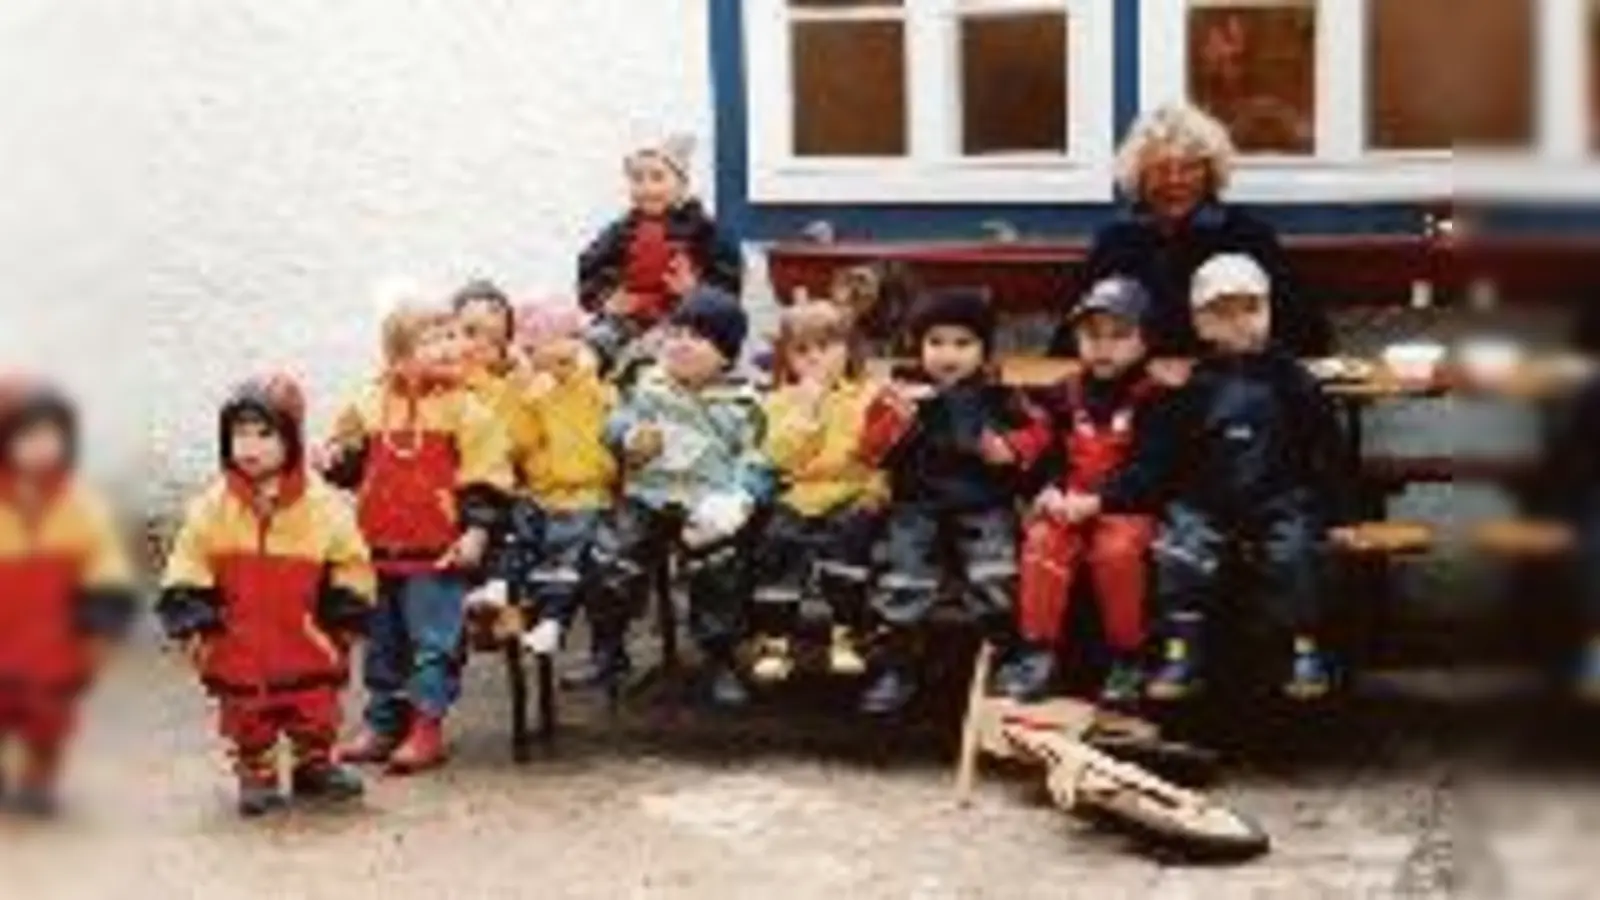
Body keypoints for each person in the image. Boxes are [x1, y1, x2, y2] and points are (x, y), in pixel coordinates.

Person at [158, 375, 372, 817]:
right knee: (246, 716)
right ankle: (255, 772)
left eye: (264, 433)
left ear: (292, 438)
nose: (249, 446)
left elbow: (352, 560)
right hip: (239, 643)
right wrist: (193, 613)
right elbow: (188, 560)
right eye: (239, 434)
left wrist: (344, 611)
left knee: (316, 709)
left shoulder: (323, 506)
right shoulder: (212, 507)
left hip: (306, 639)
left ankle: (315, 763)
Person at [1144, 254, 1354, 702]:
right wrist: (1160, 499)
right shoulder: (1192, 385)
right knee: (1180, 553)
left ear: (1269, 312)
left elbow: (1326, 448)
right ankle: (1183, 650)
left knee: (1296, 553)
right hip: (1209, 500)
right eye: (1222, 312)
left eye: (1250, 309)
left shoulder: (1293, 380)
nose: (1239, 322)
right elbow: (1169, 452)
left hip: (1279, 496)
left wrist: (1339, 511)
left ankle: (1304, 648)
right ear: (1201, 324)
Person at [321, 306, 513, 773]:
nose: (449, 346)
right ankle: (383, 722)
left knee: (434, 642)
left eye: (451, 335)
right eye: (433, 339)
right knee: (384, 643)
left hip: (439, 552)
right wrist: (333, 458)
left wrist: (477, 529)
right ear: (398, 356)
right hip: (378, 548)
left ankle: (427, 726)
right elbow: (349, 463)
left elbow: (485, 476)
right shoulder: (368, 403)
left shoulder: (468, 409)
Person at [859, 289, 1050, 714]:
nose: (949, 354)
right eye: (936, 342)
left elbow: (1040, 433)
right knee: (901, 576)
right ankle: (898, 664)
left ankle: (1003, 656)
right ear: (919, 346)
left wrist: (1009, 447)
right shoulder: (901, 395)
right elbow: (869, 451)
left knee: (995, 574)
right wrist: (894, 420)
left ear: (983, 350)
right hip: (917, 505)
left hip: (983, 503)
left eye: (963, 343)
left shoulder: (1001, 395)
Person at [590, 286, 773, 707]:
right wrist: (628, 436)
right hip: (649, 497)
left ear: (726, 354)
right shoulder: (646, 386)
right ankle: (609, 650)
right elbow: (613, 423)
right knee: (612, 557)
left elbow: (759, 460)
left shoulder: (743, 404)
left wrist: (740, 498)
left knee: (720, 569)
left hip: (708, 507)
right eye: (676, 333)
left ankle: (719, 655)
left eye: (698, 337)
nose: (681, 344)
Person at [1052, 102, 1330, 362]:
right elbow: (1069, 341)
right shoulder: (1117, 242)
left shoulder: (1245, 236)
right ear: (1139, 176)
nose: (1175, 181)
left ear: (1210, 174)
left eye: (1189, 168)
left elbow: (1307, 334)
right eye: (1161, 169)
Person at [1010, 278, 1172, 704]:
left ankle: (1128, 657)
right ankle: (1037, 653)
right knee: (1043, 541)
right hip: (1068, 503)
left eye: (1120, 336)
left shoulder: (1156, 400)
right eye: (1092, 335)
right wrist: (1045, 489)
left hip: (1125, 507)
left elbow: (1153, 471)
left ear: (1145, 340)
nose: (1104, 348)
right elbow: (1037, 448)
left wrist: (1099, 500)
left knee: (1116, 553)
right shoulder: (1062, 395)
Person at [0, 378, 137, 817]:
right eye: (27, 435)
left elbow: (106, 567)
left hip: (53, 643)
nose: (42, 447)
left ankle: (39, 779)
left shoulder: (81, 506)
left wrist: (100, 622)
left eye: (51, 435)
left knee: (49, 720)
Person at [749, 301, 886, 683]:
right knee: (776, 544)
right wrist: (806, 412)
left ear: (848, 349)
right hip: (798, 493)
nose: (815, 359)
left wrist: (877, 490)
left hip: (851, 491)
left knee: (849, 547)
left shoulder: (868, 397)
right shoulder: (778, 402)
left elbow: (883, 454)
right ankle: (775, 640)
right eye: (802, 350)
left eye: (826, 347)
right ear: (787, 357)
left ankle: (847, 635)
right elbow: (778, 457)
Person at [502, 297, 618, 663]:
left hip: (587, 493)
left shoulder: (598, 391)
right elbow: (518, 444)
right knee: (521, 537)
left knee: (568, 545)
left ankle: (553, 622)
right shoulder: (531, 392)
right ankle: (509, 600)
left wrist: (579, 372)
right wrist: (522, 395)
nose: (556, 361)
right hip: (541, 493)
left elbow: (606, 434)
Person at [578, 133, 743, 371]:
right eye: (637, 179)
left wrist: (695, 291)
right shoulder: (621, 230)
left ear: (681, 184)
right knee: (592, 348)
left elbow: (729, 284)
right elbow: (590, 264)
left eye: (657, 178)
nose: (647, 188)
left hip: (681, 323)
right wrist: (607, 298)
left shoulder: (704, 231)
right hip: (628, 317)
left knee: (656, 358)